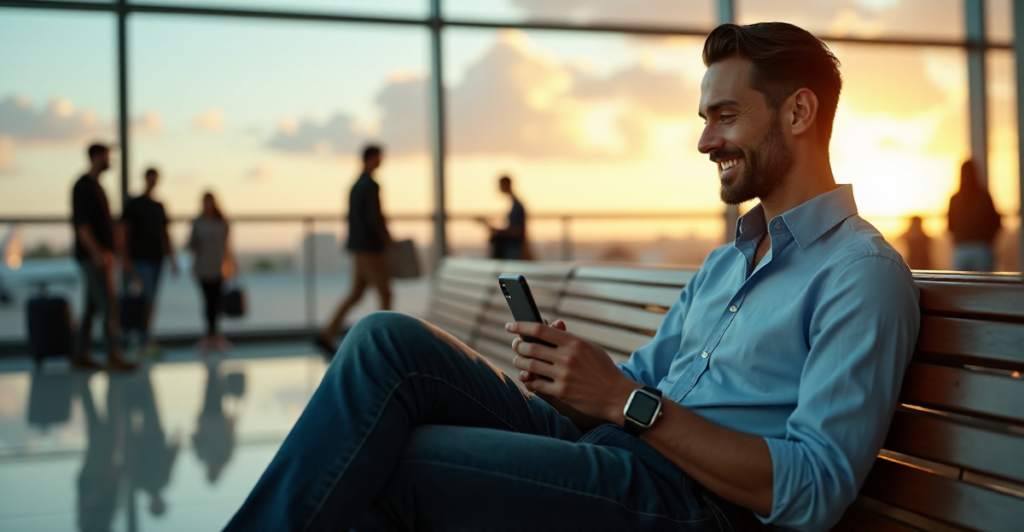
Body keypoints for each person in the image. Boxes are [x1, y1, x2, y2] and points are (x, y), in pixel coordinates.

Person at [227, 22, 921, 532]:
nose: (705, 141)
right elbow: (643, 381)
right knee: (386, 341)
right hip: (620, 449)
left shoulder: (859, 276)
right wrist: (574, 376)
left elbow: (815, 489)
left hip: (693, 505)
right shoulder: (727, 260)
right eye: (705, 119)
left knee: (403, 461)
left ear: (798, 112)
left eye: (726, 116)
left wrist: (626, 403)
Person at [315, 145, 392, 355]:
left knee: (355, 294)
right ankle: (383, 340)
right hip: (371, 249)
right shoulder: (371, 186)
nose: (381, 161)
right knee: (385, 293)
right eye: (378, 157)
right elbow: (374, 217)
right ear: (370, 159)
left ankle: (327, 334)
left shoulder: (355, 185)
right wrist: (386, 238)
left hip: (358, 247)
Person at [71, 143, 136, 371]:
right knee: (109, 305)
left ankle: (80, 353)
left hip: (100, 256)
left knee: (92, 307)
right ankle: (112, 354)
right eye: (107, 156)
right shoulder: (84, 187)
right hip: (95, 257)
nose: (110, 161)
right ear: (96, 156)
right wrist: (98, 252)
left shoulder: (96, 187)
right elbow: (82, 226)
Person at [120, 168, 179, 356]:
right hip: (140, 260)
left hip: (156, 259)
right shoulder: (134, 204)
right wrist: (125, 258)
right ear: (146, 179)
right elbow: (124, 232)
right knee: (143, 299)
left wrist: (172, 259)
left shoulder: (158, 206)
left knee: (150, 299)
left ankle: (144, 337)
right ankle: (138, 337)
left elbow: (165, 233)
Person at [188, 192, 234, 354]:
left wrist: (231, 264)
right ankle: (210, 335)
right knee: (208, 301)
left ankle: (214, 335)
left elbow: (227, 245)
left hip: (218, 267)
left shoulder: (222, 222)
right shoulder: (197, 222)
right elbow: (191, 244)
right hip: (202, 267)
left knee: (217, 302)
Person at [948, 159, 1001, 271]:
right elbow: (996, 222)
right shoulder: (985, 197)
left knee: (960, 282)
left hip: (962, 249)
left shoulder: (955, 199)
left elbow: (950, 226)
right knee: (983, 282)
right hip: (982, 249)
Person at [477, 175, 530, 260]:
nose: (499, 188)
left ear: (506, 185)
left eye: (501, 185)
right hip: (512, 247)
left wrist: (498, 232)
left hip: (513, 248)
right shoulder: (515, 204)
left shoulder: (517, 206)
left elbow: (518, 230)